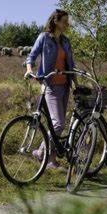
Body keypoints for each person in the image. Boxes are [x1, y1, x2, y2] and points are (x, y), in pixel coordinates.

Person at [24, 9, 77, 169]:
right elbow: (31, 57)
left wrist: (76, 84)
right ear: (56, 21)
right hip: (50, 85)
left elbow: (71, 65)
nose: (67, 24)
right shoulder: (44, 38)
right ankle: (41, 153)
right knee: (58, 123)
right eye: (64, 21)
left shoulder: (66, 41)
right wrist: (29, 69)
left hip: (65, 86)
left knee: (57, 124)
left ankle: (52, 160)